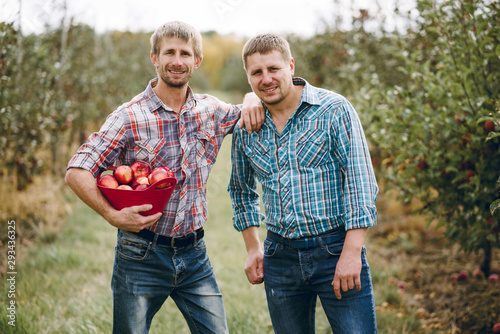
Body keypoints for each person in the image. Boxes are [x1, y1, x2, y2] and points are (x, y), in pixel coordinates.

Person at [65, 21, 264, 334]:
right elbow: (77, 170)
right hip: (141, 253)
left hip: (195, 254)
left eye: (185, 53)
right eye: (169, 52)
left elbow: (247, 110)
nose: (177, 60)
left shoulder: (210, 110)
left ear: (196, 61)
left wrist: (252, 98)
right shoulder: (129, 116)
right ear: (154, 57)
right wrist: (112, 215)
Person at [228, 33, 379, 333]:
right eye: (257, 73)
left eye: (274, 69)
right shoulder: (246, 128)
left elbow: (360, 183)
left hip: (335, 247)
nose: (266, 79)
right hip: (279, 256)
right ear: (248, 77)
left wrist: (351, 254)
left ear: (291, 65)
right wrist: (252, 247)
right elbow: (240, 191)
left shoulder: (333, 110)